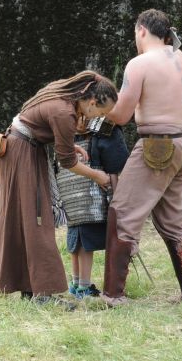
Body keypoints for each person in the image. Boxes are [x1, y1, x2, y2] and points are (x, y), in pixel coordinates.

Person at [0, 71, 117, 305]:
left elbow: (43, 126)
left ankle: (28, 287)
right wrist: (98, 176)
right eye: (100, 113)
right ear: (92, 102)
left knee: (24, 220)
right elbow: (67, 162)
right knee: (37, 220)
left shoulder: (62, 92)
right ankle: (42, 294)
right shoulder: (65, 111)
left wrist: (70, 145)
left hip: (18, 150)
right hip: (22, 153)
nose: (96, 118)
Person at [100, 9, 182, 307]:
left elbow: (121, 115)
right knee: (175, 221)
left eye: (135, 33)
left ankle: (113, 295)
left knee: (122, 213)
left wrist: (96, 109)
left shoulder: (139, 64)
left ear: (142, 30)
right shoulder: (177, 56)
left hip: (158, 146)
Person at [57, 117, 129, 298]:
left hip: (74, 194)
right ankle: (83, 287)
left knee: (76, 240)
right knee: (82, 242)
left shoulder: (66, 126)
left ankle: (76, 283)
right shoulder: (104, 128)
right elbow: (117, 163)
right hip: (89, 196)